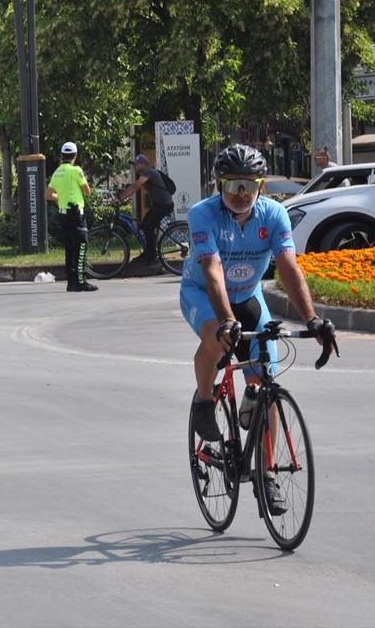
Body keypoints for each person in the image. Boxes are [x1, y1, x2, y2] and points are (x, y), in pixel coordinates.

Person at [181, 144, 333, 515]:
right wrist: (227, 322)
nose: (240, 194)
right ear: (219, 184)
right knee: (217, 335)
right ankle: (204, 400)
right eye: (233, 185)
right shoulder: (203, 214)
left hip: (249, 296)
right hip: (202, 291)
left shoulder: (275, 214)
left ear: (261, 186)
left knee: (265, 377)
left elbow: (288, 267)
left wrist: (312, 319)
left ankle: (266, 474)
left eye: (249, 185)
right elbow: (213, 272)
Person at [44, 141, 97, 292]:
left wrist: (60, 197)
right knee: (80, 247)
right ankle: (81, 281)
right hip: (76, 215)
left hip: (63, 215)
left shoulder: (58, 172)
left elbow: (47, 195)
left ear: (61, 156)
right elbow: (87, 191)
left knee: (69, 248)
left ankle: (71, 282)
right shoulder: (76, 170)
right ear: (75, 156)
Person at [111, 154, 175, 265]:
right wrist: (120, 195)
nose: (134, 166)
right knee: (144, 226)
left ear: (144, 164)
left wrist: (119, 198)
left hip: (163, 205)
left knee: (148, 228)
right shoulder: (144, 174)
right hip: (157, 205)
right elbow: (131, 187)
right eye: (133, 164)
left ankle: (153, 258)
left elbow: (135, 187)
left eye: (136, 163)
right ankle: (148, 252)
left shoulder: (149, 172)